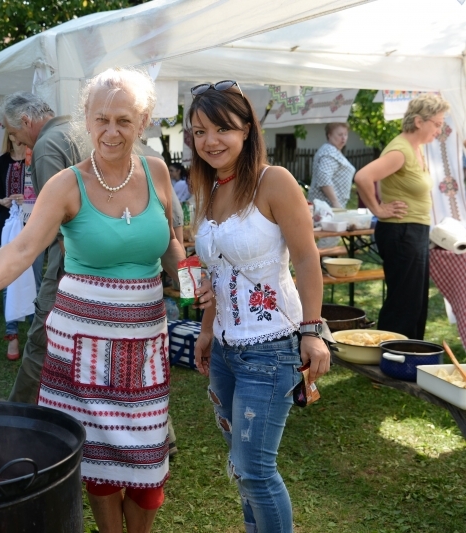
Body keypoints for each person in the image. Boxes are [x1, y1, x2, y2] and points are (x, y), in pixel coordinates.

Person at [0, 68, 185, 533]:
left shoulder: (156, 172)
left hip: (145, 345)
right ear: (86, 121)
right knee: (98, 463)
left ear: (144, 121)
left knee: (148, 463)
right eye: (101, 119)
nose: (111, 131)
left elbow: (173, 243)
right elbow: (22, 247)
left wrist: (200, 292)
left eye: (123, 119)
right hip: (84, 347)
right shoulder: (67, 184)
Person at [189, 81, 329, 533]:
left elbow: (307, 258)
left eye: (222, 129)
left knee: (256, 471)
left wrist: (312, 330)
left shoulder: (275, 181)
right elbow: (215, 274)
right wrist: (207, 330)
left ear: (247, 129)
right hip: (227, 353)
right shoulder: (209, 189)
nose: (210, 141)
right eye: (198, 131)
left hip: (272, 348)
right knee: (241, 465)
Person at [0, 92, 81, 403]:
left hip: (70, 257)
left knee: (40, 339)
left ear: (26, 121)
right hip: (97, 254)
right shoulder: (78, 130)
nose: (16, 140)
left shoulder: (46, 146)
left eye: (12, 131)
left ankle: (15, 418)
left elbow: (54, 222)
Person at [354, 93, 450, 340]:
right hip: (401, 232)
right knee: (403, 303)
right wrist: (378, 209)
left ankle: (411, 356)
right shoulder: (400, 150)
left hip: (413, 232)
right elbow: (363, 177)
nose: (439, 130)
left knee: (415, 302)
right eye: (437, 124)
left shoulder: (415, 149)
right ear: (419, 121)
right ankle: (390, 359)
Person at [0, 131, 37, 360]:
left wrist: (27, 200)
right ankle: (13, 335)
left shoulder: (35, 161)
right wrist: (2, 201)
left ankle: (34, 334)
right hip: (7, 229)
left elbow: (44, 196)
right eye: (11, 132)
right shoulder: (2, 161)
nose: (16, 137)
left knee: (34, 280)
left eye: (19, 132)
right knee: (8, 282)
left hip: (32, 229)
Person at [307, 123, 356, 209]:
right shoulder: (329, 151)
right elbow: (323, 178)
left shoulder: (334, 151)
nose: (344, 138)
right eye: (340, 134)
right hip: (326, 208)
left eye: (346, 134)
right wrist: (335, 202)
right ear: (329, 135)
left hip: (329, 207)